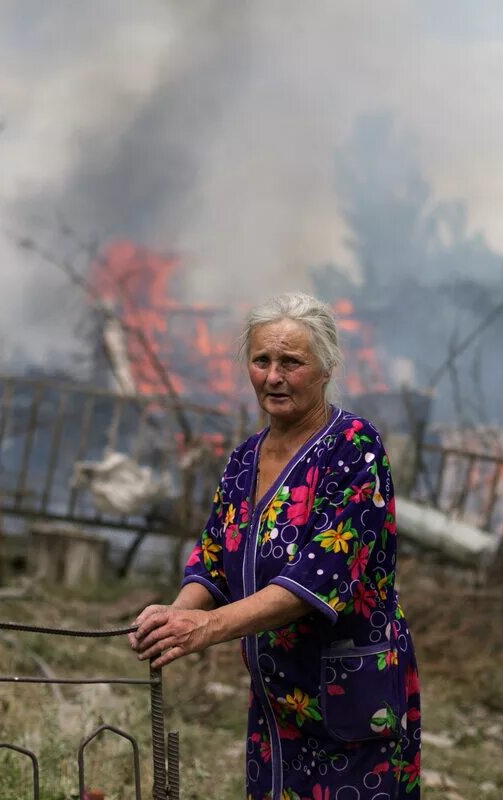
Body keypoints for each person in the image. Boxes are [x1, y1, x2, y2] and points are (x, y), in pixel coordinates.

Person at [129, 292, 421, 799]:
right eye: (262, 360)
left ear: (326, 368)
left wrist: (209, 627)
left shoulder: (354, 448)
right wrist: (174, 618)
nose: (273, 376)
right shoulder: (244, 458)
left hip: (348, 692)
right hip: (276, 700)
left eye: (291, 362)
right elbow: (214, 559)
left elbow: (319, 579)